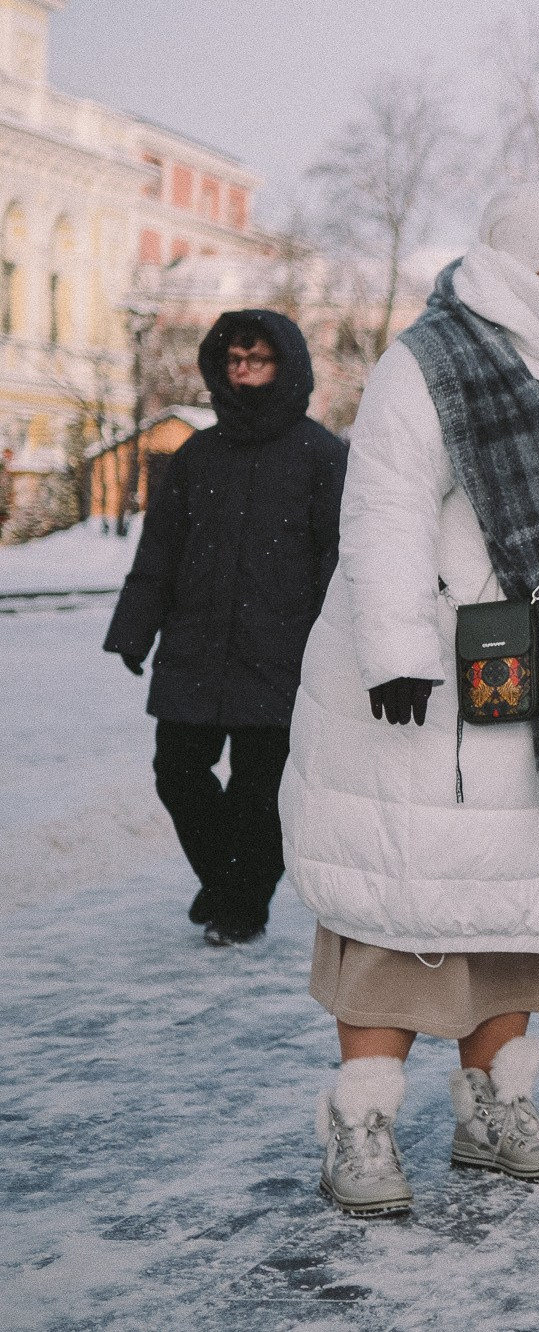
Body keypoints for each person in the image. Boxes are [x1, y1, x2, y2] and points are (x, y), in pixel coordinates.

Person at [279, 179, 539, 1217]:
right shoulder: (435, 360)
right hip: (430, 692)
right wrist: (398, 647)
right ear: (514, 263)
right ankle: (360, 1122)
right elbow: (385, 505)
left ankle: (491, 1108)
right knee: (404, 900)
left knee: (516, 910)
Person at [104, 311, 346, 947]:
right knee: (177, 770)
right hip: (197, 648)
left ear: (285, 366)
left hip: (282, 653)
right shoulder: (196, 455)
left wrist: (333, 646)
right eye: (234, 361)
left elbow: (338, 561)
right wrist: (134, 630)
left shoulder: (322, 457)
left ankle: (240, 909)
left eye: (258, 361)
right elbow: (158, 551)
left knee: (259, 790)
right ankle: (230, 885)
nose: (244, 373)